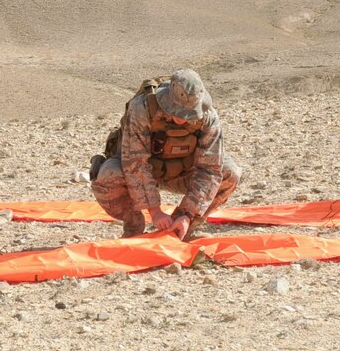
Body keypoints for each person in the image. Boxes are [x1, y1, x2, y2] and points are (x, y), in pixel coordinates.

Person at [90, 69, 240, 240]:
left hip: (183, 174)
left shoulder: (208, 117)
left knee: (230, 173)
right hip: (143, 174)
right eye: (177, 111)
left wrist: (187, 214)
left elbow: (210, 169)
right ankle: (134, 229)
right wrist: (155, 212)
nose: (182, 119)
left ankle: (179, 231)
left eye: (188, 114)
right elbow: (136, 163)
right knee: (108, 175)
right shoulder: (143, 108)